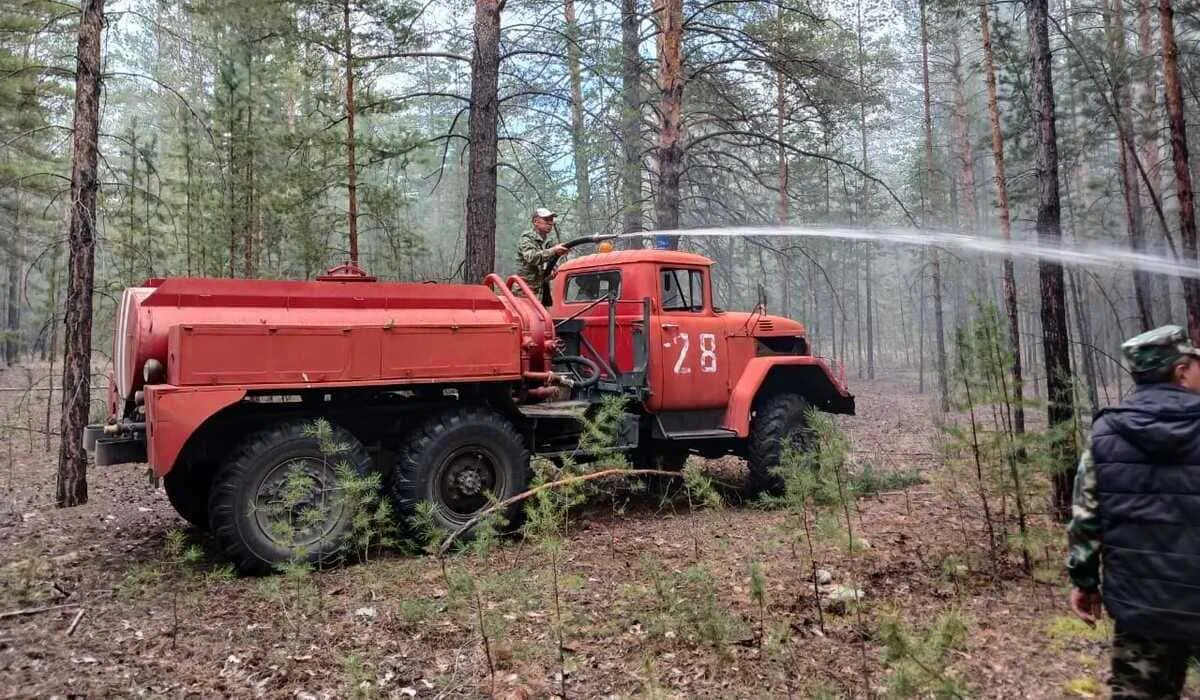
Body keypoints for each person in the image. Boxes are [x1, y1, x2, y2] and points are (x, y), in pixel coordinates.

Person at [1067, 324, 1200, 700]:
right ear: (1181, 371)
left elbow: (1085, 517)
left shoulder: (1107, 433)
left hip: (1141, 607)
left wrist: (1085, 582)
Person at [516, 207, 568, 304]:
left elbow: (552, 261)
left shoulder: (549, 242)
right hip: (525, 292)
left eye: (551, 220)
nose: (550, 223)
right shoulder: (527, 238)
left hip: (542, 291)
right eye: (546, 220)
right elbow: (531, 257)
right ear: (536, 222)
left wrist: (553, 269)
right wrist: (554, 250)